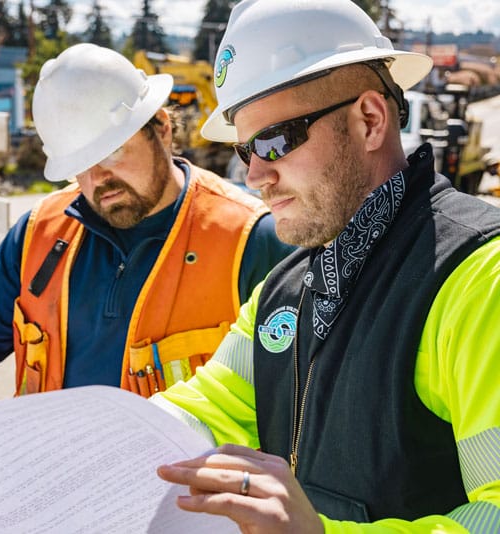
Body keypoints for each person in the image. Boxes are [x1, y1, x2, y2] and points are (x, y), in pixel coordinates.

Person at [153, 0, 500, 531]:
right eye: (247, 150)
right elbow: (203, 412)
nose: (255, 176)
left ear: (369, 119)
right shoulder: (284, 289)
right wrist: (99, 441)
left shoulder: (479, 278)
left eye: (274, 141)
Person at [0, 43, 293, 450]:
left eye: (112, 152)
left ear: (160, 127)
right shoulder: (41, 233)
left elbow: (307, 404)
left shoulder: (253, 240)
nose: (98, 179)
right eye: (80, 163)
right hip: (53, 490)